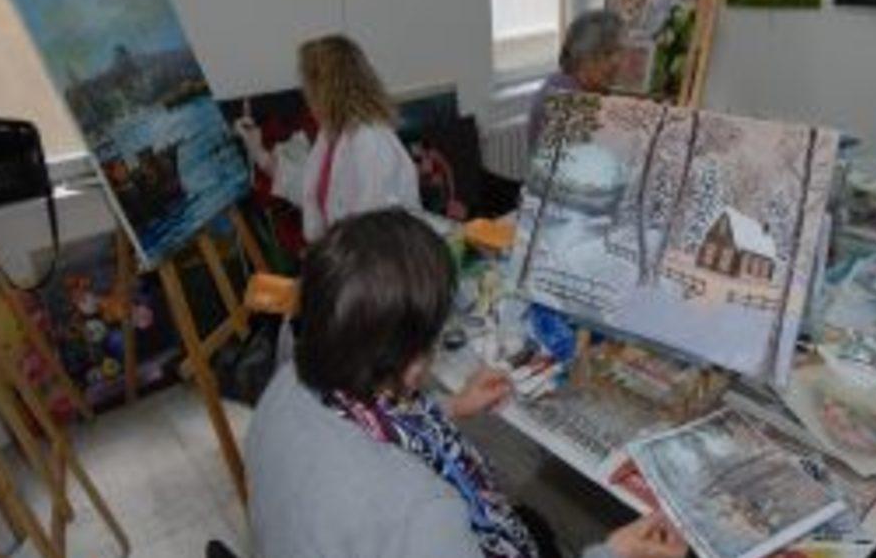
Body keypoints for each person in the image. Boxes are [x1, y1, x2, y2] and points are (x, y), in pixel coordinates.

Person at [246, 209, 688, 558]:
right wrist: (612, 553)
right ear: (409, 361)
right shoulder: (422, 514)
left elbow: (374, 426)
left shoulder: (287, 382)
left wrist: (451, 407)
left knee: (531, 524)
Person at [296, 35, 420, 242]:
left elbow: (372, 229)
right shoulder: (329, 135)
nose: (305, 93)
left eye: (307, 84)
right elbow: (315, 193)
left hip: (381, 256)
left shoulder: (370, 140)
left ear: (325, 88)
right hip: (345, 253)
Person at [528, 10, 625, 151]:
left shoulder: (571, 82)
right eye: (607, 53)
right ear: (581, 57)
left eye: (619, 51)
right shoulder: (565, 99)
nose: (617, 61)